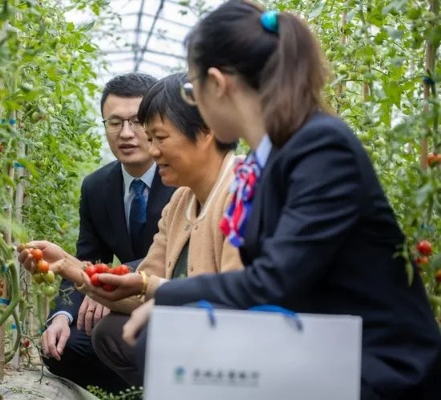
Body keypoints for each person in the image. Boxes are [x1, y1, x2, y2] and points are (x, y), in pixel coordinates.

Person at [95, 2, 441, 399]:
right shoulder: (273, 157)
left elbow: (276, 280)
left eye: (191, 90)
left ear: (217, 83)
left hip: (378, 365)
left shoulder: (321, 147)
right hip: (320, 347)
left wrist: (170, 297)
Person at [20, 72, 243, 387]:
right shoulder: (182, 200)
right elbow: (139, 289)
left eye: (158, 137)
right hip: (191, 329)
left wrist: (148, 289)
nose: (150, 150)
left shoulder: (245, 191)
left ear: (205, 132)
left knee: (131, 329)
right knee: (110, 333)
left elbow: (240, 302)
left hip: (242, 343)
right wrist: (67, 265)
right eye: (115, 123)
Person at [30, 72, 175, 393]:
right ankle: (134, 391)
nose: (126, 133)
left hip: (173, 298)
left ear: (155, 123)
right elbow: (87, 257)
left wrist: (111, 280)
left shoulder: (179, 176)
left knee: (115, 335)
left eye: (137, 121)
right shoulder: (96, 187)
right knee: (61, 348)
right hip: (126, 306)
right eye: (114, 122)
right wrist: (62, 316)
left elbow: (175, 257)